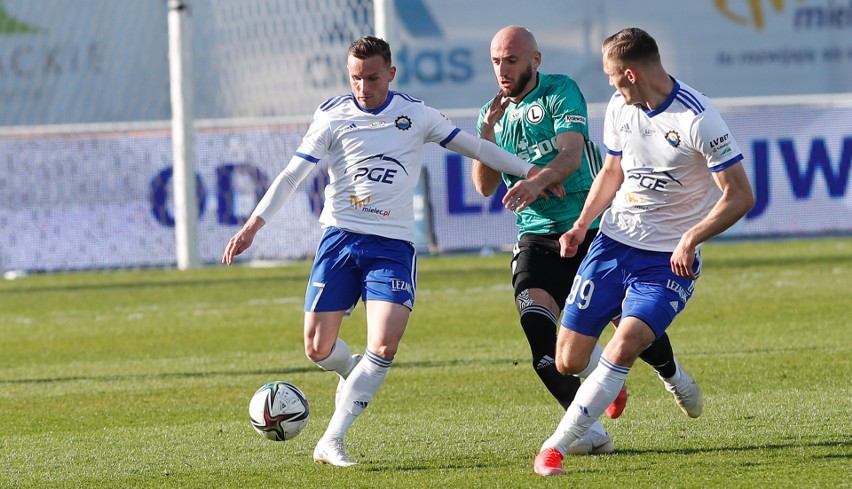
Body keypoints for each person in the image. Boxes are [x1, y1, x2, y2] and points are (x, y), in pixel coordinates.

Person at [222, 35, 557, 468]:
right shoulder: (332, 116)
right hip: (340, 239)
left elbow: (475, 147)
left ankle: (332, 439)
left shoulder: (414, 114)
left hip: (393, 247)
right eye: (356, 78)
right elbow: (291, 176)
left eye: (373, 77)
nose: (364, 87)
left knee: (385, 344)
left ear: (391, 74)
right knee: (317, 349)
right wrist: (253, 226)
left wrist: (533, 171)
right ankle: (353, 372)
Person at [532, 27, 755, 476]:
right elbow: (612, 171)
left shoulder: (699, 118)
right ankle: (669, 371)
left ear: (631, 74)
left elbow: (739, 196)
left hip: (666, 260)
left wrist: (691, 237)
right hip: (613, 245)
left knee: (626, 342)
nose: (610, 86)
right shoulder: (620, 106)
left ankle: (554, 447)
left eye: (613, 77)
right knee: (568, 361)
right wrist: (580, 226)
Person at [473, 25, 696, 456]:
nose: (503, 69)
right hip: (536, 236)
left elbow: (571, 155)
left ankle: (673, 374)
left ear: (535, 61)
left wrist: (538, 181)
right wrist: (484, 136)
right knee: (539, 332)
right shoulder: (492, 112)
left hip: (592, 229)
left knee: (629, 328)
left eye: (512, 60)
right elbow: (483, 187)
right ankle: (591, 435)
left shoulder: (560, 92)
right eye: (496, 61)